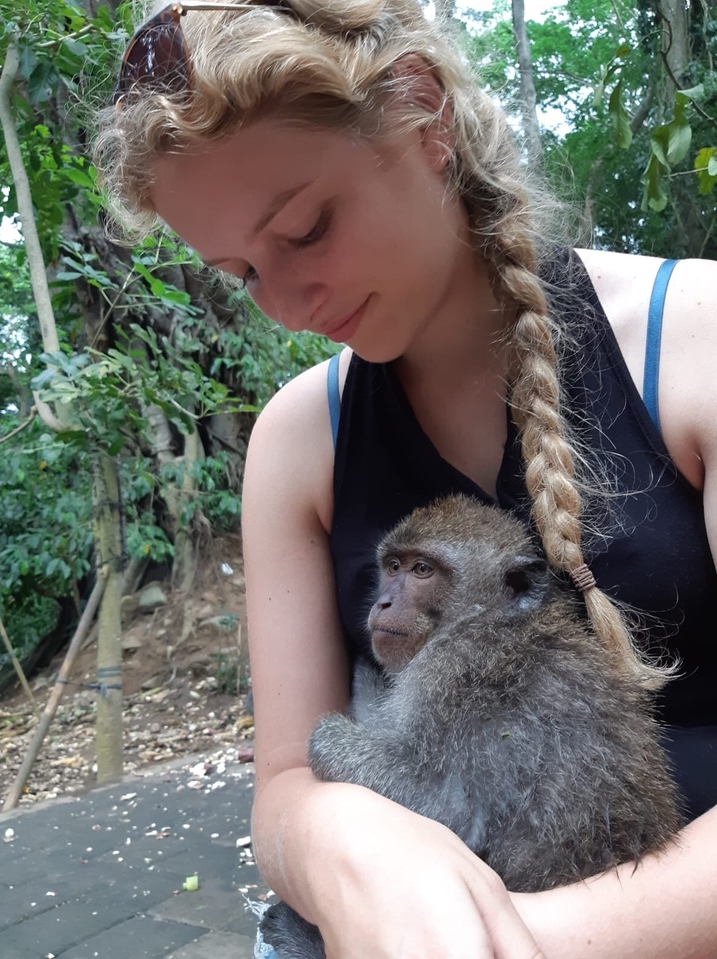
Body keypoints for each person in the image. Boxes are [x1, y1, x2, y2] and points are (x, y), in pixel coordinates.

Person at [96, 0, 717, 955]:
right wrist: (345, 842)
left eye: (305, 230)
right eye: (244, 273)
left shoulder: (695, 340)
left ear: (422, 113)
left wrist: (517, 942)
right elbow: (285, 795)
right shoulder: (298, 439)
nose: (291, 308)